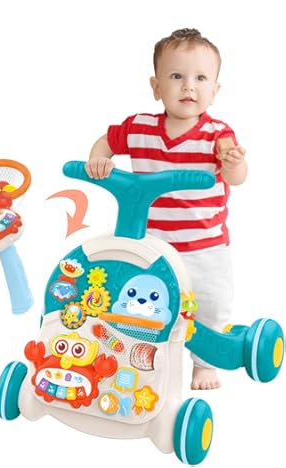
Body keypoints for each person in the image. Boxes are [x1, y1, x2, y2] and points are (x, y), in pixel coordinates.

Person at [85, 28, 247, 390]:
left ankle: (205, 363)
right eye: (176, 76)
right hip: (151, 243)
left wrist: (233, 163)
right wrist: (99, 159)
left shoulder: (217, 135)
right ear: (156, 86)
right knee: (141, 299)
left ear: (214, 90)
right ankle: (140, 354)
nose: (189, 86)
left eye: (201, 78)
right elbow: (106, 142)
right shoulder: (139, 128)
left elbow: (236, 179)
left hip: (204, 247)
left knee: (210, 302)